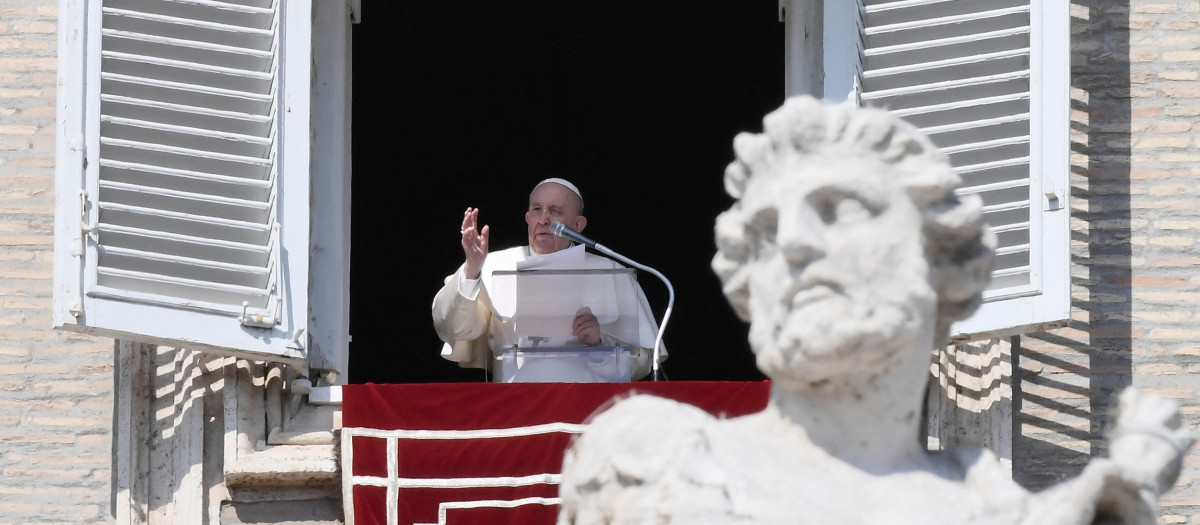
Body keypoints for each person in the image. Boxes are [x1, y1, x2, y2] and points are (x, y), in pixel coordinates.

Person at [557, 97, 1193, 524]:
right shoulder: (655, 463)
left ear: (942, 261)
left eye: (841, 208)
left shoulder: (990, 508)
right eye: (766, 231)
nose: (796, 243)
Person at [431, 178, 664, 381]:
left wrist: (599, 342)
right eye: (536, 210)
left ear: (578, 225)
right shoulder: (491, 266)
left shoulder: (611, 271)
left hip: (588, 410)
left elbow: (644, 360)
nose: (544, 219)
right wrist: (471, 268)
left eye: (555, 211)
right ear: (527, 218)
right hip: (516, 406)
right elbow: (454, 328)